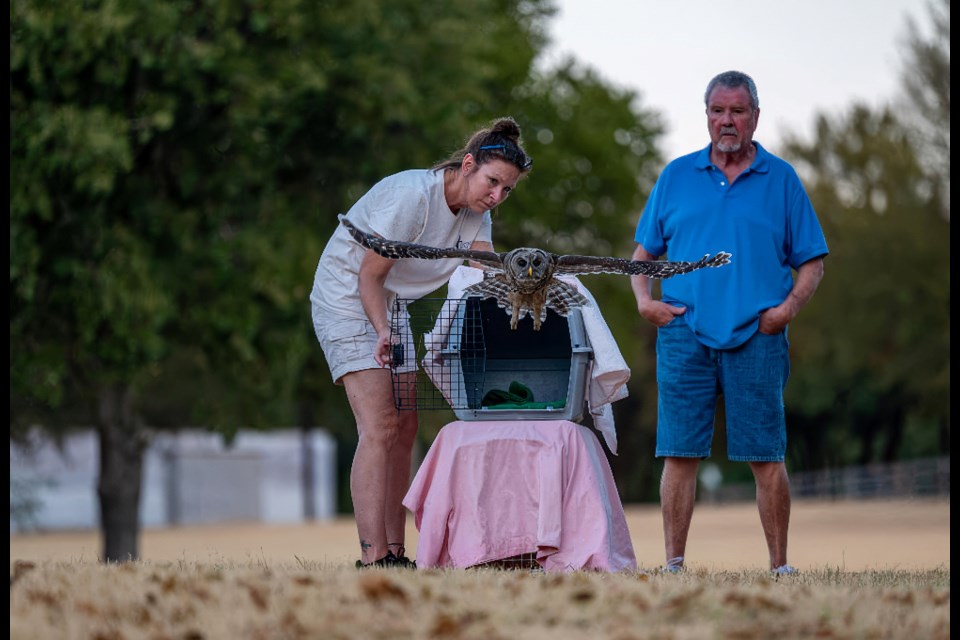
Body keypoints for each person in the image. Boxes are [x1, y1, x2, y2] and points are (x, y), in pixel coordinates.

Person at [310, 117, 533, 568]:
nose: (496, 196)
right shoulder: (411, 197)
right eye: (492, 183)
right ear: (468, 164)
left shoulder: (478, 211)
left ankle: (397, 552)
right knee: (380, 426)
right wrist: (382, 331)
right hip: (348, 296)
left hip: (392, 303)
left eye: (506, 190)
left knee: (406, 425)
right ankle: (373, 558)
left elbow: (482, 268)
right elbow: (369, 275)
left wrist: (529, 280)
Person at [630, 71, 828, 575]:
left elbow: (812, 261)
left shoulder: (781, 179)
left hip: (757, 337)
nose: (727, 121)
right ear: (707, 116)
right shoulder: (676, 175)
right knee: (679, 454)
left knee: (767, 455)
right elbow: (643, 255)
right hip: (683, 336)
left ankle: (780, 568)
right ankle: (673, 565)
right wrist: (644, 302)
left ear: (755, 116)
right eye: (718, 110)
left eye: (737, 111)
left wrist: (786, 311)